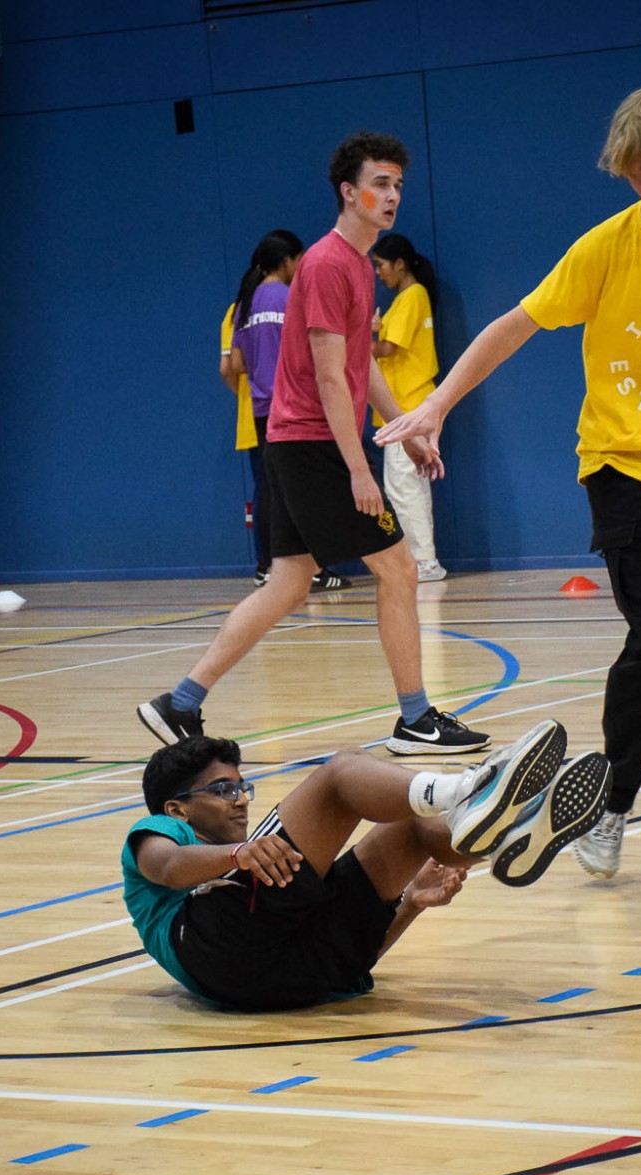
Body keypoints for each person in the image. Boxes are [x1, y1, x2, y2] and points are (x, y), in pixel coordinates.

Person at [377, 83, 641, 882]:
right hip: (625, 464)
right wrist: (436, 404)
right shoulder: (606, 247)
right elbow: (515, 325)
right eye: (631, 175)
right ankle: (606, 806)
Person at [143, 132, 491, 757]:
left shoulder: (356, 264)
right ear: (348, 192)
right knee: (399, 568)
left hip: (296, 443)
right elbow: (331, 378)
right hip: (312, 445)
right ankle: (416, 719)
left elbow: (362, 364)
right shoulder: (330, 264)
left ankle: (181, 702)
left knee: (288, 583)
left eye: (399, 185)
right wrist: (359, 468)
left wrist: (405, 429)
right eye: (381, 184)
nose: (393, 196)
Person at [122, 719, 609, 1010]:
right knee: (340, 775)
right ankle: (469, 789)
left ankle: (511, 836)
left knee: (411, 829)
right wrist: (236, 854)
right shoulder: (161, 833)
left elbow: (346, 956)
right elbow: (169, 867)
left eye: (241, 787)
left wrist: (409, 905)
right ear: (177, 808)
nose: (241, 800)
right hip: (209, 949)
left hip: (293, 981)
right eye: (223, 790)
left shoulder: (253, 867)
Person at [224, 230, 350, 593]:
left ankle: (268, 567)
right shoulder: (291, 297)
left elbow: (236, 364)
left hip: (262, 410)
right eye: (299, 260)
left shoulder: (244, 304)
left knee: (269, 489)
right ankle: (313, 569)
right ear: (287, 261)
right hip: (296, 408)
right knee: (306, 491)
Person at [371, 233, 447, 582]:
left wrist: (360, 338)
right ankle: (423, 560)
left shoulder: (411, 296)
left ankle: (424, 562)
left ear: (399, 264)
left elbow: (387, 349)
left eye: (380, 265)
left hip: (407, 406)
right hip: (407, 405)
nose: (378, 273)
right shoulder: (410, 298)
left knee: (405, 487)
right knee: (408, 486)